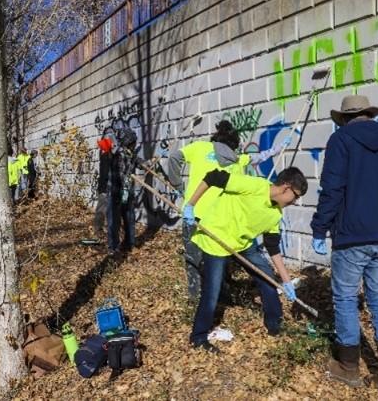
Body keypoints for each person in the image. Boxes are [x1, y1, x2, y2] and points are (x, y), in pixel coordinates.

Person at [310, 95, 378, 393]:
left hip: (353, 235)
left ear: (344, 118)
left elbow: (332, 189)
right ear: (370, 115)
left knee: (344, 297)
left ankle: (348, 367)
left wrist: (319, 229)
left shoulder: (341, 141)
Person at [184, 167, 307, 352]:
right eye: (295, 196)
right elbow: (213, 177)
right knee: (212, 292)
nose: (295, 202)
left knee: (268, 279)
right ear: (285, 187)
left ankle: (275, 325)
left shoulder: (276, 214)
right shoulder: (253, 186)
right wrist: (191, 205)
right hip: (216, 240)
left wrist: (287, 281)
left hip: (242, 244)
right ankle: (198, 337)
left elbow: (273, 248)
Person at [167, 120, 291, 302]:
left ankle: (195, 300)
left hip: (193, 213)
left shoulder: (199, 147)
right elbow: (259, 157)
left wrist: (178, 186)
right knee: (220, 257)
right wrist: (278, 148)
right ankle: (221, 296)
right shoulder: (236, 159)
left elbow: (174, 158)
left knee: (194, 259)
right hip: (219, 219)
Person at [101, 125, 145, 255]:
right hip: (114, 191)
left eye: (134, 143)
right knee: (113, 221)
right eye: (131, 143)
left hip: (127, 192)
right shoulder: (114, 152)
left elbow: (141, 163)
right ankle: (113, 247)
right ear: (126, 142)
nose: (133, 145)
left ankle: (130, 244)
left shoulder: (131, 155)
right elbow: (106, 138)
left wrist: (150, 164)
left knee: (129, 218)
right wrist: (110, 133)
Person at [93, 136, 112, 238]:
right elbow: (105, 174)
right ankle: (98, 229)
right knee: (101, 209)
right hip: (104, 188)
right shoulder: (106, 157)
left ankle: (100, 228)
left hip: (103, 187)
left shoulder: (105, 156)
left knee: (103, 209)